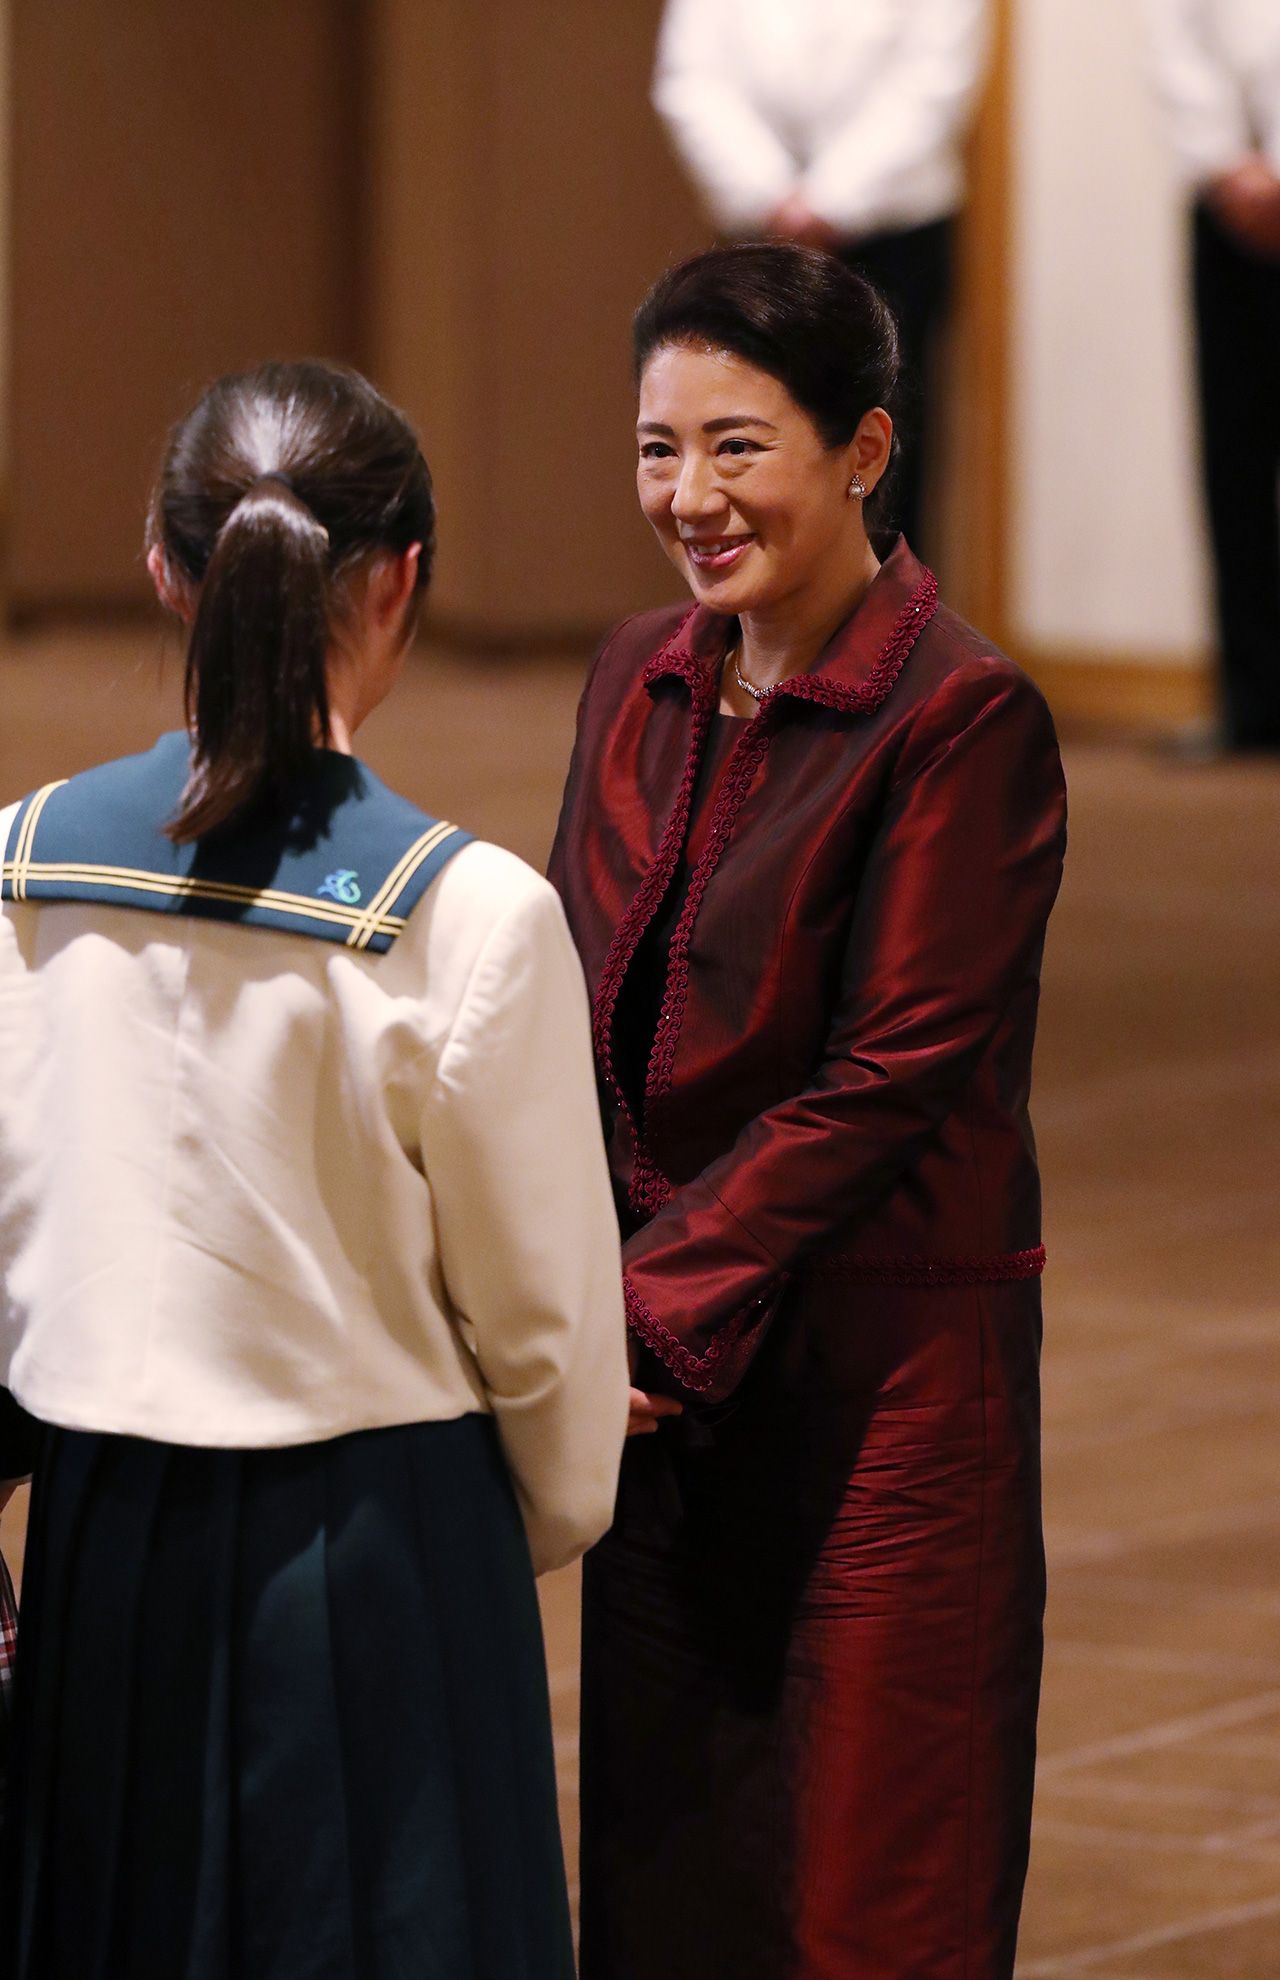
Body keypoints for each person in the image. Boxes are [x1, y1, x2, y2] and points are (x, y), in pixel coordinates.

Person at [0, 360, 630, 1979]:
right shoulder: (468, 915)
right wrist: (528, 1529)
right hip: (380, 1553)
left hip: (94, 1534)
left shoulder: (22, 869)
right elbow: (548, 1331)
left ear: (161, 566)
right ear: (404, 579)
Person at [549, 244, 1067, 1980]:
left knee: (873, 1911)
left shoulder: (965, 715)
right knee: (665, 1896)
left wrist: (644, 1306)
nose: (689, 499)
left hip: (880, 1406)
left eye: (739, 447)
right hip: (671, 1405)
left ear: (865, 448)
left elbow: (891, 1078)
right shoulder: (637, 673)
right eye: (656, 448)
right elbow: (561, 1003)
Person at [651, 0, 989, 558]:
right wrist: (772, 195)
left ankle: (892, 636)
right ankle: (760, 634)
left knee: (890, 456)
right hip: (757, 227)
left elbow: (935, 77)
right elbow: (693, 79)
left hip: (895, 227)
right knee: (741, 440)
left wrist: (831, 200)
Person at [1144, 0, 1280, 754]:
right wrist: (1230, 165)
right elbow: (1177, 42)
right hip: (1227, 200)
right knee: (1233, 451)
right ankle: (1253, 697)